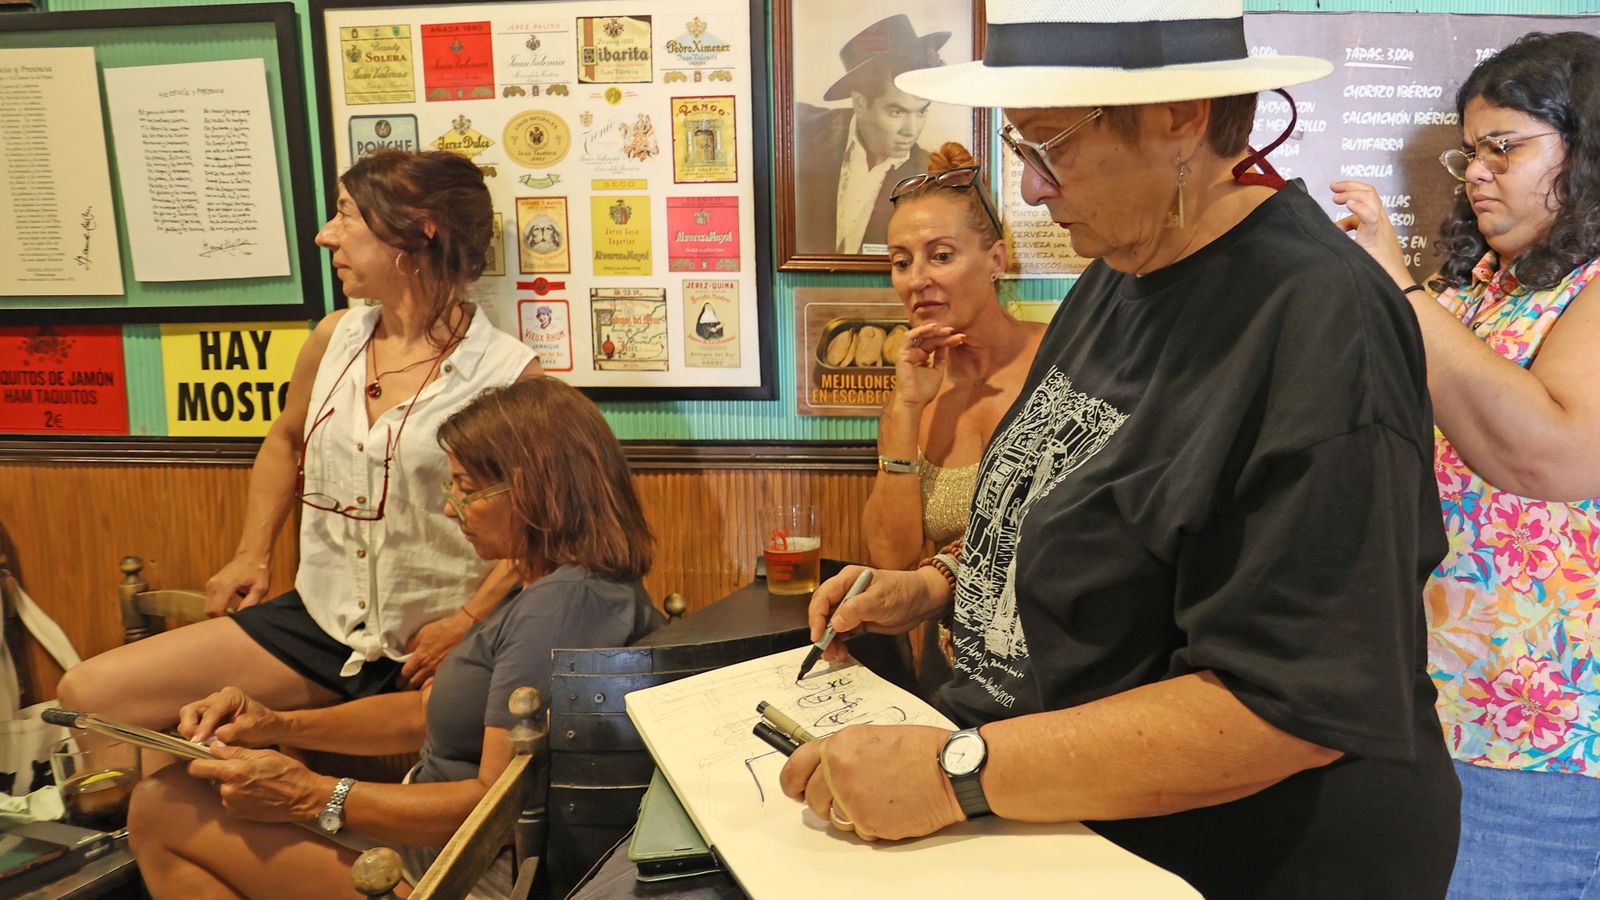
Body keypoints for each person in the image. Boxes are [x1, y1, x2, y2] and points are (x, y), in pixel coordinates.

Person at [779, 2, 1462, 896]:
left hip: (1249, 859)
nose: (1031, 189)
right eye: (1020, 146)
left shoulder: (1320, 321)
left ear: (1180, 117)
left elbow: (1294, 705)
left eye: (1048, 146)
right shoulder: (1119, 272)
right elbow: (1065, 500)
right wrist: (941, 584)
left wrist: (953, 773)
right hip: (1069, 824)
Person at [58, 150, 542, 734]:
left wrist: (467, 620)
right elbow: (286, 440)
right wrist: (252, 552)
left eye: (347, 215)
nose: (325, 235)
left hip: (439, 642)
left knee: (454, 736)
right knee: (89, 695)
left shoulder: (508, 375)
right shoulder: (334, 337)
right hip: (322, 622)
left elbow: (543, 523)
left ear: (418, 232)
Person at [126, 377, 663, 900]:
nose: (450, 508)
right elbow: (424, 714)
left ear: (531, 491)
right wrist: (276, 724)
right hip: (424, 841)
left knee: (164, 808)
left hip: (458, 872)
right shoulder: (546, 584)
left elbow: (497, 810)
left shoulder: (563, 604)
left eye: (467, 490)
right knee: (174, 795)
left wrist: (312, 794)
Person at [1331, 31, 1600, 900]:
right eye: (1470, 152)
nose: (1477, 173)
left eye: (1504, 148)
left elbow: (1553, 455)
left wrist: (1400, 291)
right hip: (1431, 709)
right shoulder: (1481, 286)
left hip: (1544, 737)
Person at [863, 142, 1044, 570]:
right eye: (901, 262)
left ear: (996, 260)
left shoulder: (1062, 357)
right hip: (946, 615)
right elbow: (891, 562)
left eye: (941, 256)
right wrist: (906, 409)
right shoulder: (909, 401)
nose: (916, 280)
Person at [794, 14, 947, 255]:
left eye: (921, 111)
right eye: (897, 112)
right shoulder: (800, 131)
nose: (911, 130)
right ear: (860, 103)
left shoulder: (932, 177)